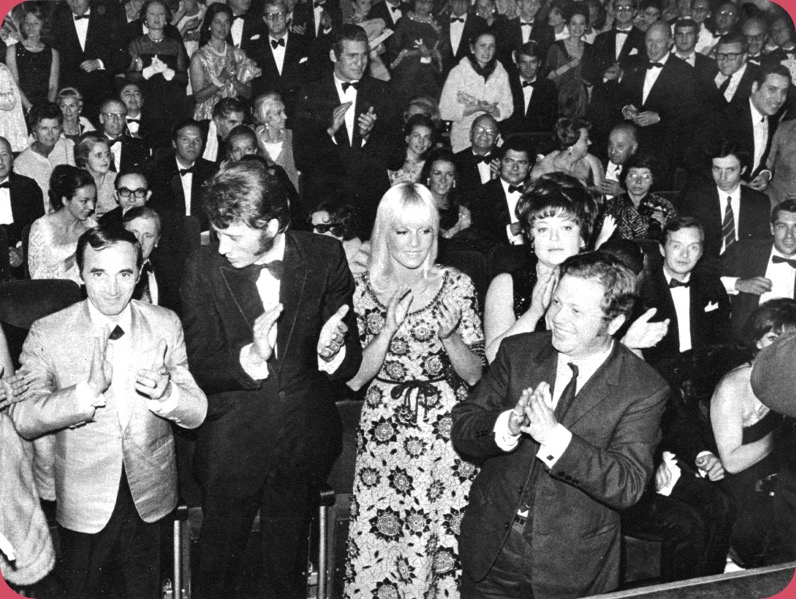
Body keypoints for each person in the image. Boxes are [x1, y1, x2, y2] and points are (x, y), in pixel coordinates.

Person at [181, 161, 362, 599]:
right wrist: (249, 356)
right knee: (217, 574)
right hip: (232, 444)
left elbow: (350, 356)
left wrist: (331, 351)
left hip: (302, 440)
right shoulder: (201, 266)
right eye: (217, 233)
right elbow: (198, 363)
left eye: (233, 236)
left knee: (284, 574)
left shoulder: (324, 255)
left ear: (274, 225)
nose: (221, 247)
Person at [451, 251, 669, 598]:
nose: (558, 318)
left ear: (613, 323)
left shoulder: (643, 388)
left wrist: (555, 438)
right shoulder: (518, 352)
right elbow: (464, 426)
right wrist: (506, 425)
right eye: (557, 303)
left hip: (572, 568)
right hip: (492, 552)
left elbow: (628, 484)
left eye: (576, 311)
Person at [10, 225, 208, 599]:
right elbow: (24, 415)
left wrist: (167, 394)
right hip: (83, 497)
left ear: (141, 274)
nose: (113, 289)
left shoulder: (165, 323)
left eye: (125, 274)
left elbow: (196, 411)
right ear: (80, 275)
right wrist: (84, 393)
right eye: (98, 273)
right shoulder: (48, 332)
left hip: (150, 495)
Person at [344, 183, 483, 598]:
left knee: (443, 537)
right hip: (385, 431)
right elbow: (354, 379)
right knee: (385, 540)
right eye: (403, 231)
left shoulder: (457, 284)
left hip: (444, 429)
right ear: (385, 232)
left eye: (425, 231)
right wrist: (387, 329)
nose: (415, 243)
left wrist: (451, 337)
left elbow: (476, 374)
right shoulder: (362, 288)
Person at [294, 24, 401, 238]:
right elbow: (303, 159)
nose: (360, 63)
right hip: (325, 205)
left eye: (363, 56)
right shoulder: (310, 94)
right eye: (352, 56)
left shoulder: (384, 92)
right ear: (334, 55)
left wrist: (370, 136)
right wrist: (330, 131)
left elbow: (397, 158)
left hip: (369, 204)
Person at [711, 298, 796, 567]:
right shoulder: (733, 386)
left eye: (791, 340)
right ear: (757, 340)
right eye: (773, 338)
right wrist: (781, 435)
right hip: (747, 484)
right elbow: (732, 462)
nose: (782, 348)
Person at [483, 175, 591, 362]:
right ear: (531, 238)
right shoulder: (506, 284)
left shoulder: (596, 285)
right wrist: (533, 314)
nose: (554, 238)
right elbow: (493, 358)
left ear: (582, 237)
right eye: (543, 229)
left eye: (566, 228)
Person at [640, 217, 731, 367]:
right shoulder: (642, 287)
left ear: (701, 253)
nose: (685, 255)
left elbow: (723, 337)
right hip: (655, 373)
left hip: (703, 371)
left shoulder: (712, 285)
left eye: (693, 247)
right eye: (677, 246)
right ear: (662, 249)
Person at [679, 141, 772, 271]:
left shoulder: (759, 201)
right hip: (706, 271)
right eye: (717, 169)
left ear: (743, 170)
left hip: (745, 271)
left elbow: (761, 247)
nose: (723, 177)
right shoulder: (695, 199)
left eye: (730, 170)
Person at [721, 200, 796, 340]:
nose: (789, 235)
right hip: (747, 344)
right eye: (782, 226)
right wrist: (739, 284)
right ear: (772, 229)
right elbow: (704, 275)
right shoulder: (745, 250)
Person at [126, 0, 190, 149]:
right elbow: (129, 76)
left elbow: (184, 79)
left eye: (161, 13)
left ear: (167, 17)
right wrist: (148, 72)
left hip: (171, 105)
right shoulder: (136, 44)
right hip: (145, 104)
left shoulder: (175, 45)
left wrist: (169, 73)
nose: (156, 17)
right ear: (145, 18)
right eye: (152, 13)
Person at [51, 0, 128, 121]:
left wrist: (99, 63)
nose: (75, 3)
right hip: (71, 98)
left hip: (102, 93)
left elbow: (123, 57)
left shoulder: (109, 16)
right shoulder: (58, 18)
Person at [439, 30, 513, 153]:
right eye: (482, 45)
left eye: (491, 46)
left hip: (491, 135)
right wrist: (477, 107)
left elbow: (508, 107)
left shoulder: (501, 73)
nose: (487, 51)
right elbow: (445, 110)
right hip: (463, 136)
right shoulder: (458, 72)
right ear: (472, 48)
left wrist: (493, 110)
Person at [28, 165, 97, 284]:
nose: (91, 207)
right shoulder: (42, 228)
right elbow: (37, 276)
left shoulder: (92, 227)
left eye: (93, 200)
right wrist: (76, 257)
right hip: (51, 296)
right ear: (65, 200)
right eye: (84, 201)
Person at [191, 2, 259, 121]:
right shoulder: (199, 56)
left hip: (233, 115)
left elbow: (248, 94)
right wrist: (222, 78)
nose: (222, 27)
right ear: (209, 25)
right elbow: (199, 97)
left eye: (226, 22)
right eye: (218, 22)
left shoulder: (238, 54)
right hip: (208, 116)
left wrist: (234, 80)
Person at [148, 119, 219, 232]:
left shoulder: (212, 172)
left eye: (197, 140)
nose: (192, 145)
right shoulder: (158, 171)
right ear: (174, 143)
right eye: (185, 139)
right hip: (168, 236)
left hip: (203, 235)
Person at [248, 0, 312, 115]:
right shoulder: (253, 48)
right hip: (267, 115)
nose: (275, 19)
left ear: (288, 17)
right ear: (264, 19)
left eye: (280, 15)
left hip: (299, 113)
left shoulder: (305, 44)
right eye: (270, 15)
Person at [470, 138, 535, 247]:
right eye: (509, 161)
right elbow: (478, 233)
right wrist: (509, 230)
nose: (515, 168)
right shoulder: (482, 193)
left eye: (521, 163)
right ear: (500, 163)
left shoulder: (537, 193)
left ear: (529, 167)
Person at [13, 102, 75, 206]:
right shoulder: (21, 164)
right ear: (34, 130)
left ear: (60, 128)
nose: (50, 133)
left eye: (54, 128)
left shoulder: (68, 146)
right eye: (44, 128)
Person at [604, 153, 677, 241]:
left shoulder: (665, 206)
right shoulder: (610, 206)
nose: (638, 181)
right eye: (633, 175)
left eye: (646, 176)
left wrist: (664, 229)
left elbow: (675, 241)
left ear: (652, 180)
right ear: (625, 179)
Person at [0, 136, 45, 274]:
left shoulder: (28, 187)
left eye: (4, 154)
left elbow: (38, 227)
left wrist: (21, 251)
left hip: (23, 257)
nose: (0, 161)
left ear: (12, 158)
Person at [5, 3, 59, 112]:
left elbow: (53, 86)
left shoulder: (53, 52)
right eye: (27, 22)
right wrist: (29, 108)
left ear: (43, 25)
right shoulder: (12, 50)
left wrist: (47, 109)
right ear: (23, 25)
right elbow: (14, 84)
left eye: (36, 23)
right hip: (22, 106)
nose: (31, 26)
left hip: (45, 107)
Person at [388, 0, 445, 105]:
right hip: (406, 78)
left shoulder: (437, 26)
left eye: (426, 2)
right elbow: (393, 50)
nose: (422, 5)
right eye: (419, 1)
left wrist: (430, 53)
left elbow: (443, 52)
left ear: (432, 5)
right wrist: (416, 52)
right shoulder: (403, 22)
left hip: (428, 79)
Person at [544, 3, 595, 118]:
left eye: (582, 24)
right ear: (567, 25)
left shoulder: (591, 49)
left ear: (586, 26)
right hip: (557, 101)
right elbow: (547, 77)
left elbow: (592, 80)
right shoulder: (556, 47)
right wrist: (567, 67)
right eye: (574, 23)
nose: (577, 28)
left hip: (581, 103)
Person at [501, 41, 559, 137]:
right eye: (524, 62)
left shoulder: (549, 86)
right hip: (509, 139)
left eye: (533, 62)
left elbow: (551, 122)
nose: (528, 67)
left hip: (537, 141)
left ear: (539, 63)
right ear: (517, 63)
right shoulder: (506, 83)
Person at [531, 117, 605, 188]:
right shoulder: (544, 169)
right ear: (570, 146)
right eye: (585, 139)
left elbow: (600, 195)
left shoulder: (590, 162)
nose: (590, 142)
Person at [421, 147, 472, 239]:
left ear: (454, 179)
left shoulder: (462, 213)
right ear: (428, 177)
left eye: (449, 174)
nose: (443, 180)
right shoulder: (416, 207)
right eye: (437, 173)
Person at [254, 91, 299, 191]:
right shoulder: (253, 139)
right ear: (265, 116)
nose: (285, 116)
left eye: (284, 112)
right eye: (278, 113)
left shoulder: (292, 137)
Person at [97, 98, 151, 175]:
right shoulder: (92, 144)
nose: (116, 120)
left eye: (120, 115)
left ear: (125, 119)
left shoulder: (139, 146)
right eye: (110, 115)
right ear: (101, 118)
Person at [123, 206, 162, 305]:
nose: (140, 241)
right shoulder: (110, 271)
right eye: (134, 234)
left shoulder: (165, 273)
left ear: (157, 241)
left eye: (148, 236)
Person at [309, 201, 364, 270]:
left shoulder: (356, 261)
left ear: (340, 230)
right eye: (311, 227)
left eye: (321, 228)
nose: (314, 232)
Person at [74, 133, 117, 218]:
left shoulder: (117, 180)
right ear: (84, 157)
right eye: (99, 155)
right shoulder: (75, 181)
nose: (105, 159)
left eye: (107, 154)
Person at [439, 0, 487, 75]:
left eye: (464, 2)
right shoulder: (440, 21)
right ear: (451, 2)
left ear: (469, 4)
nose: (460, 5)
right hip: (443, 72)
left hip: (468, 72)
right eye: (456, 1)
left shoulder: (479, 22)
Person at [388, 113, 435, 186]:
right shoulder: (391, 159)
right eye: (416, 136)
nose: (421, 142)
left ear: (430, 143)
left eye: (426, 138)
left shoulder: (429, 167)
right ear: (407, 138)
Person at [713, 32, 758, 108]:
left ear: (744, 57)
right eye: (720, 55)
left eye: (731, 55)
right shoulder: (709, 72)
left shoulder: (756, 77)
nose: (724, 61)